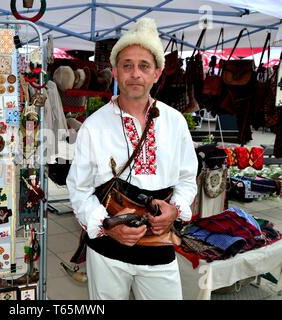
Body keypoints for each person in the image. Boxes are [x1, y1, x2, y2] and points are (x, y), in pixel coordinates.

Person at [66, 18, 198, 300]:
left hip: (160, 244)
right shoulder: (94, 125)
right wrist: (108, 227)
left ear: (157, 73)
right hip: (107, 250)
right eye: (127, 65)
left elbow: (187, 178)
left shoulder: (175, 122)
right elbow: (79, 188)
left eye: (144, 66)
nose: (135, 74)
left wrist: (176, 209)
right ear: (115, 72)